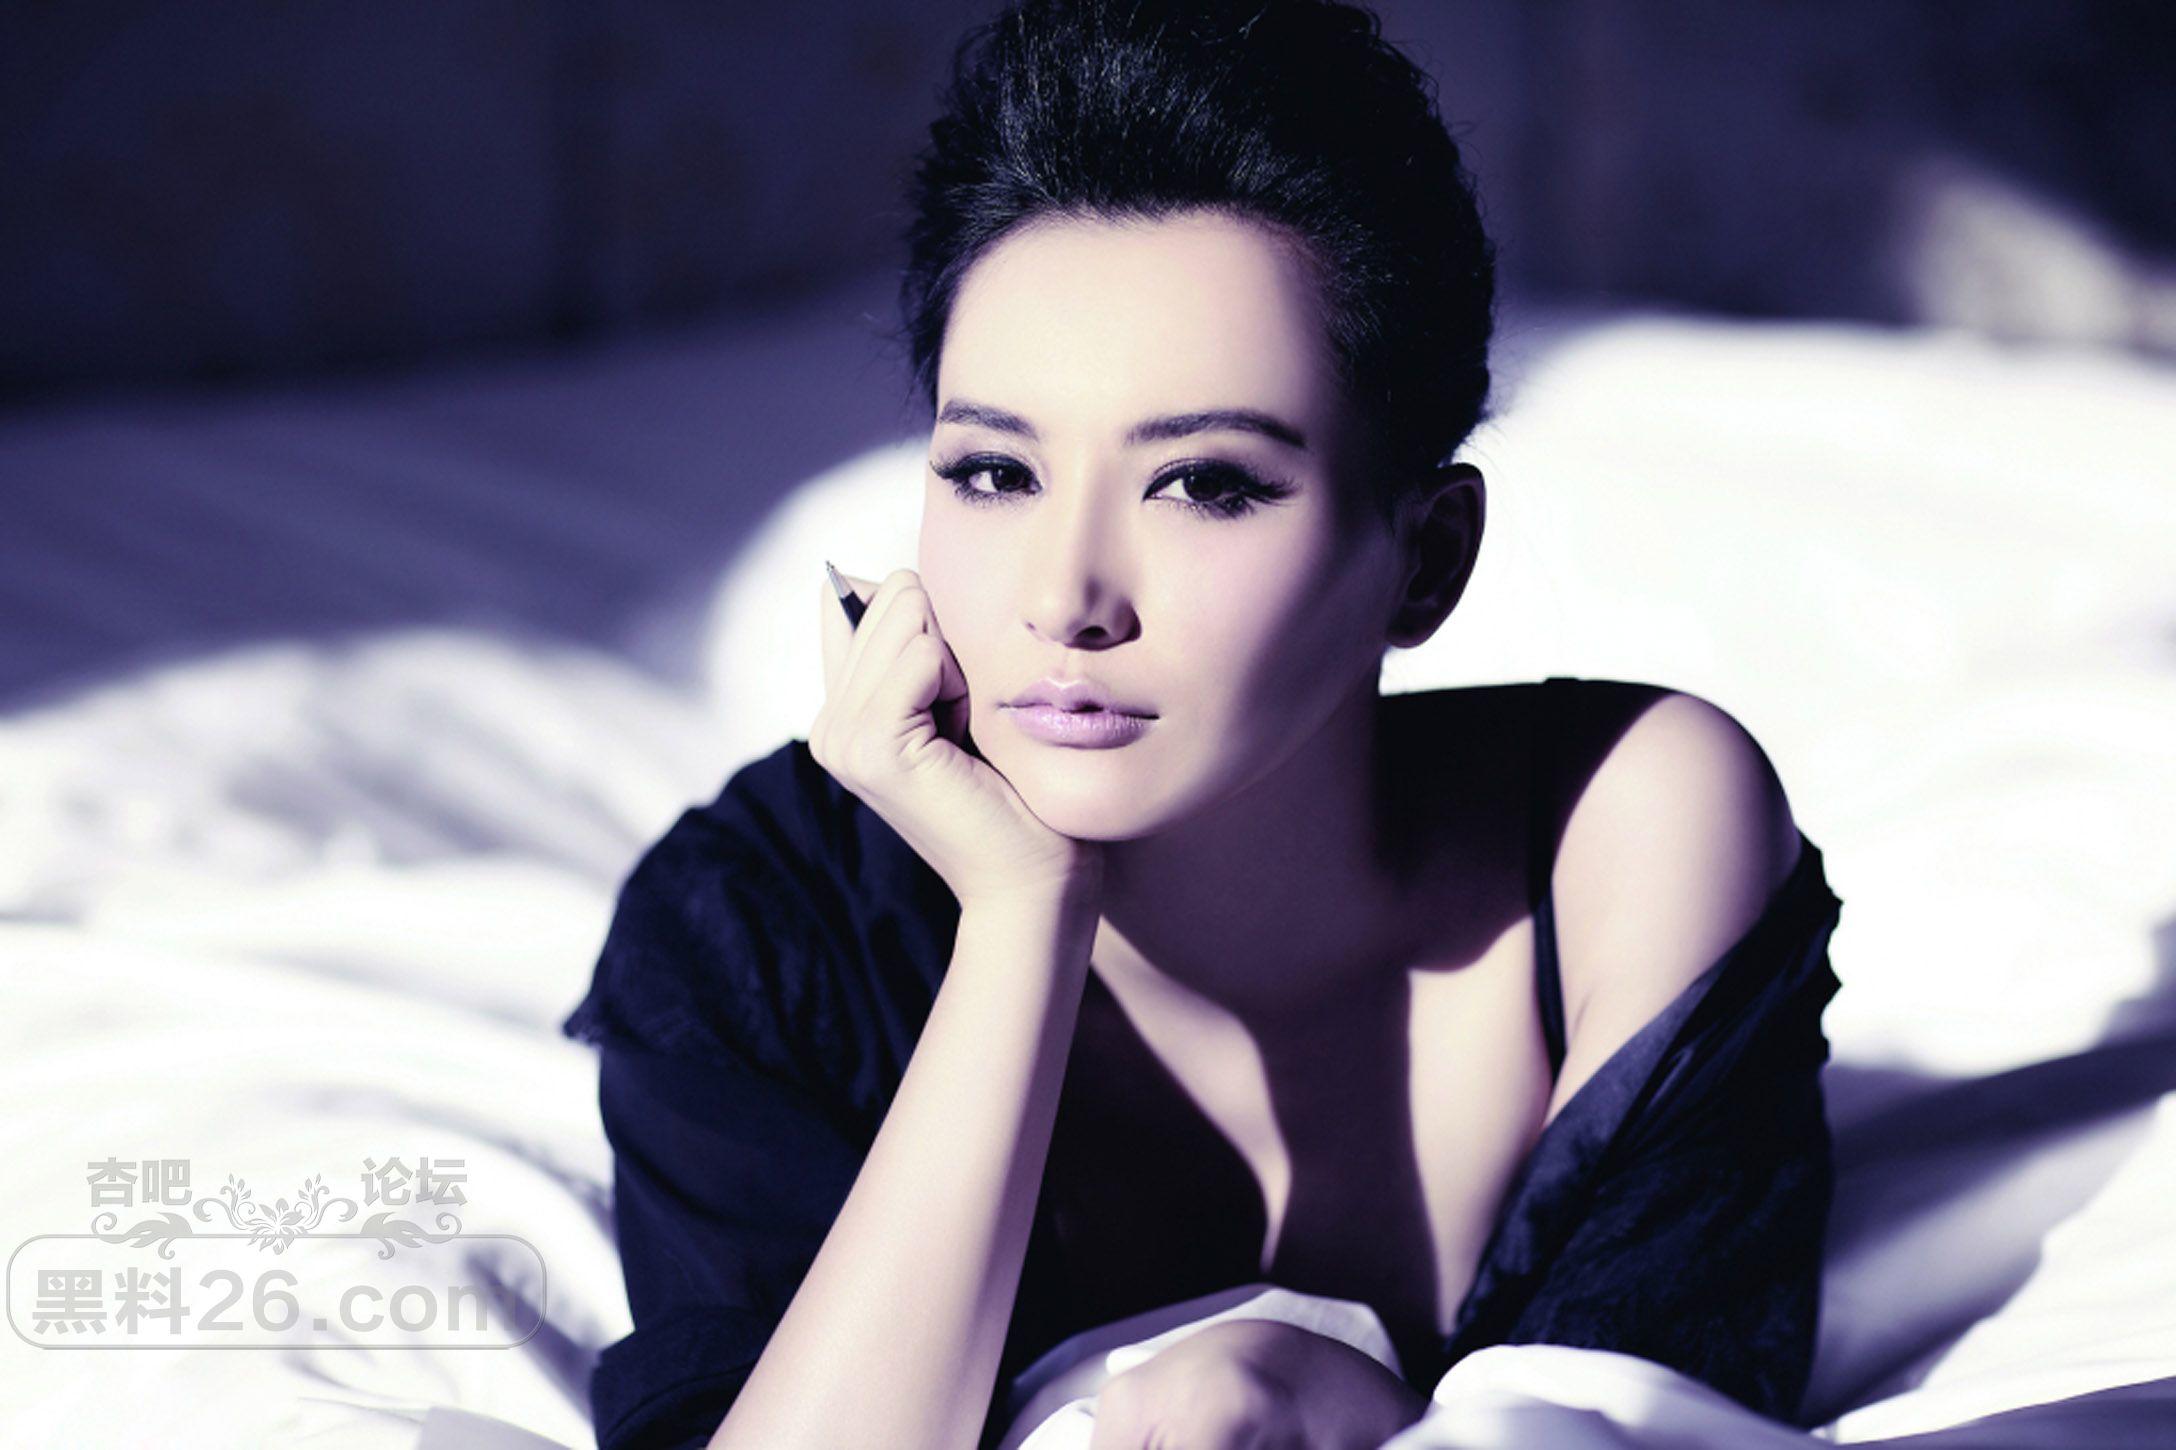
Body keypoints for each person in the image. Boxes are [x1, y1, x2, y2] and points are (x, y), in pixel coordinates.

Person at [562, 2, 1847, 1447]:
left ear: (1426, 559)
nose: (1066, 599)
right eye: (994, 473)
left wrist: (1333, 1392)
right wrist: (1024, 912)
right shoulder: (759, 927)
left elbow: (1662, 1406)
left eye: (1208, 484)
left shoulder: (1623, 834)